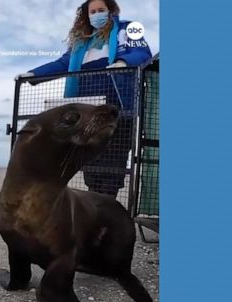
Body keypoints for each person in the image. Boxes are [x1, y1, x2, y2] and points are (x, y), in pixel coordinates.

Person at [17, 0, 152, 198]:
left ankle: (107, 203)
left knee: (112, 162)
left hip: (118, 108)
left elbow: (141, 52)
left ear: (110, 10)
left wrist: (123, 62)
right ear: (86, 15)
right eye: (93, 11)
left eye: (101, 10)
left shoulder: (128, 28)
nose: (97, 14)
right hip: (87, 108)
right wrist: (32, 74)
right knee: (90, 160)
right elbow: (63, 63)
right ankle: (94, 203)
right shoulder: (81, 41)